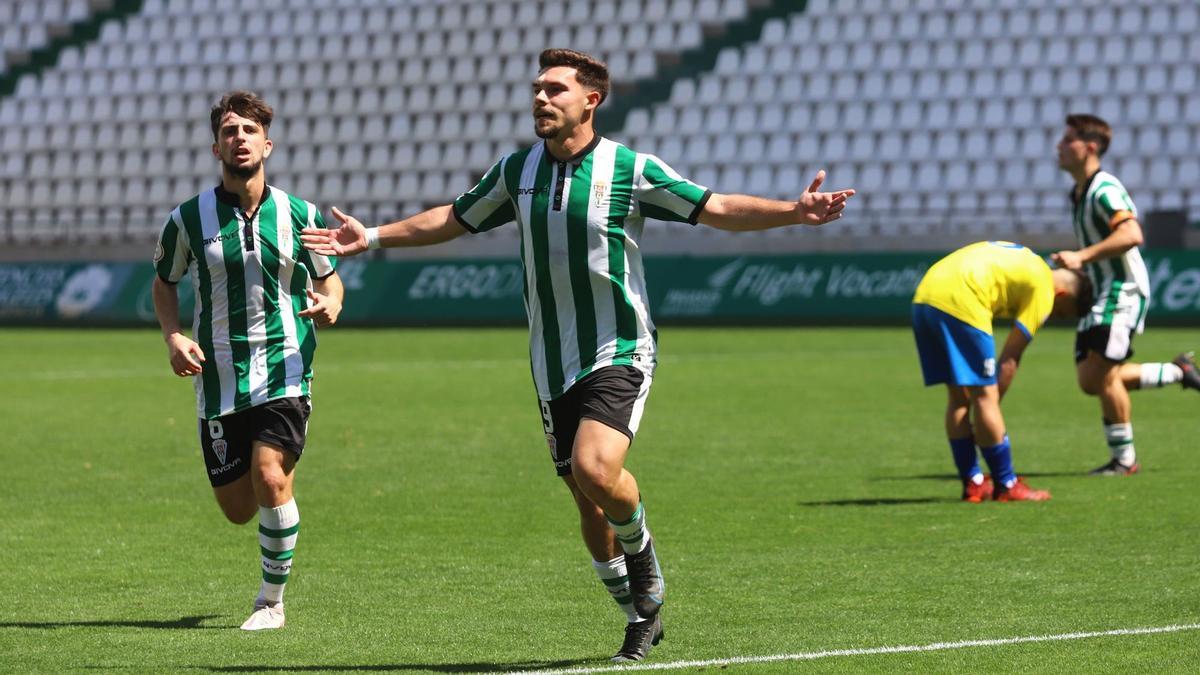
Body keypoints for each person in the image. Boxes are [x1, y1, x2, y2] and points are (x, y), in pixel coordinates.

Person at [302, 48, 853, 662]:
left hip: (620, 345)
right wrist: (373, 236)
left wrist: (793, 213)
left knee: (596, 468)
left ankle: (644, 560)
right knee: (587, 502)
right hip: (550, 359)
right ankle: (640, 617)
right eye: (536, 88)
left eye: (555, 89)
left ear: (591, 100)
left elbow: (715, 207)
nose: (540, 98)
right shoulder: (517, 171)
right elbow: (454, 219)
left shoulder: (631, 169)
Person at [151, 91, 344, 631]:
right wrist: (173, 336)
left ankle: (270, 601)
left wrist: (330, 304)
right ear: (216, 147)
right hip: (216, 378)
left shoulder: (299, 213)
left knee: (268, 474)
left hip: (285, 366)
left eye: (249, 130)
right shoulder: (188, 219)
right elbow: (163, 284)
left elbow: (330, 282)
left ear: (268, 143)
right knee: (237, 508)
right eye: (230, 131)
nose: (239, 138)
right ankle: (276, 525)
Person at [1051, 114, 1200, 476]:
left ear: (1090, 147)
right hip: (1101, 291)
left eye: (1068, 139)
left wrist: (1081, 257)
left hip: (1123, 291)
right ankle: (1178, 371)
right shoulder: (1078, 193)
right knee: (1091, 380)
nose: (1059, 145)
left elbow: (1132, 234)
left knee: (1101, 376)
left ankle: (1125, 460)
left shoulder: (1104, 189)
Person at [913, 241, 1092, 502]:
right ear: (1062, 295)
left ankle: (973, 482)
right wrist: (989, 409)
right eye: (1061, 314)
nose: (1053, 317)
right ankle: (1006, 484)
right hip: (962, 298)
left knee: (958, 397)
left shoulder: (1029, 260)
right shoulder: (1045, 289)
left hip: (924, 297)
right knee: (984, 397)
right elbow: (1010, 359)